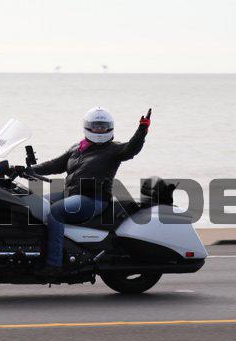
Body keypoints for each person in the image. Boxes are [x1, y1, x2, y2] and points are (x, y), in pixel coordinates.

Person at [31, 106, 151, 272]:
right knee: (35, 205)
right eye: (96, 126)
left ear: (110, 127)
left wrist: (142, 130)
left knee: (56, 212)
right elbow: (54, 165)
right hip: (71, 194)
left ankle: (54, 264)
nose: (100, 129)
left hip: (93, 199)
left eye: (103, 126)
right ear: (88, 126)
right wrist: (28, 170)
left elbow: (132, 148)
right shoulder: (77, 149)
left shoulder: (114, 149)